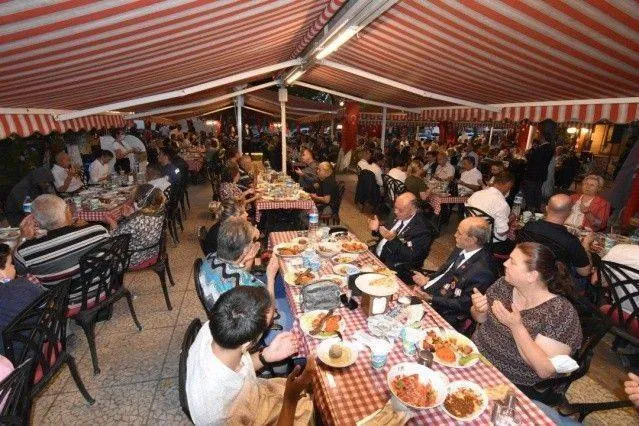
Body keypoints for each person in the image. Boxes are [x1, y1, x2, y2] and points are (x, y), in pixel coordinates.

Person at [185, 286, 314, 426]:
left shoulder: (211, 328)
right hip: (256, 415)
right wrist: (290, 400)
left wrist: (266, 355)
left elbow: (239, 368)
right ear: (247, 344)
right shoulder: (222, 413)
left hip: (255, 394)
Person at [471, 242, 582, 390]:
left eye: (512, 262)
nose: (505, 263)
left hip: (510, 385)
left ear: (531, 276)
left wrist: (516, 327)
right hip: (473, 357)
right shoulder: (504, 285)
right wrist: (479, 310)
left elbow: (544, 370)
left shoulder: (560, 313)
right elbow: (480, 319)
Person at [13, 194, 110, 306]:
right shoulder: (99, 230)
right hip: (104, 290)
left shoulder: (23, 252)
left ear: (36, 222)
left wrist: (23, 238)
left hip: (63, 306)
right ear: (67, 211)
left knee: (26, 277)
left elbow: (21, 279)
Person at [412, 217, 497, 330]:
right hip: (433, 291)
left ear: (472, 240)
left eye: (459, 233)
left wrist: (431, 298)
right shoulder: (462, 247)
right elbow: (445, 271)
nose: (455, 235)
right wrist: (428, 279)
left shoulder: (483, 271)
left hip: (446, 311)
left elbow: (464, 304)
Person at [198, 217, 272, 309]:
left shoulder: (210, 257)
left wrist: (246, 260)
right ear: (245, 249)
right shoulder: (249, 286)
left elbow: (237, 274)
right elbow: (268, 311)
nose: (253, 244)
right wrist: (271, 276)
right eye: (251, 242)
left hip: (218, 306)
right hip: (236, 313)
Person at [518, 194, 591, 277]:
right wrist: (586, 244)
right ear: (569, 213)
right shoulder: (571, 241)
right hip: (552, 281)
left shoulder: (529, 226)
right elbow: (584, 272)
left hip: (525, 271)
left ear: (546, 208)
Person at [368, 193, 434, 280]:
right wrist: (377, 229)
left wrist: (393, 240)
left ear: (413, 210)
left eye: (400, 210)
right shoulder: (396, 212)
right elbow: (386, 235)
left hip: (396, 268)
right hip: (376, 255)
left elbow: (411, 256)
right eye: (395, 207)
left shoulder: (423, 230)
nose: (395, 211)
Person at [104, 184, 165, 268]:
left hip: (135, 258)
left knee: (99, 252)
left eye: (135, 201)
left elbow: (115, 241)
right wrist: (131, 215)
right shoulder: (159, 212)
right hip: (153, 251)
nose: (133, 203)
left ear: (140, 203)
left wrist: (112, 222)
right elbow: (139, 227)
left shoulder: (134, 221)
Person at [0, 243, 45, 340]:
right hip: (31, 340)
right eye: (11, 264)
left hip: (10, 345)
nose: (14, 266)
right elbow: (44, 305)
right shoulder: (25, 285)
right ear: (1, 273)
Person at [466, 172, 514, 246]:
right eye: (510, 187)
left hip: (472, 233)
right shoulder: (502, 203)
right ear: (508, 184)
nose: (509, 190)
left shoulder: (476, 194)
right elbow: (501, 233)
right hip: (491, 241)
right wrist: (510, 220)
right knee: (515, 241)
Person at [523, 139, 553, 211]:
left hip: (533, 174)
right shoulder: (550, 148)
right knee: (537, 191)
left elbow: (533, 161)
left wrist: (527, 155)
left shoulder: (541, 149)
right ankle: (536, 208)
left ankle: (530, 208)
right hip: (541, 175)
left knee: (531, 191)